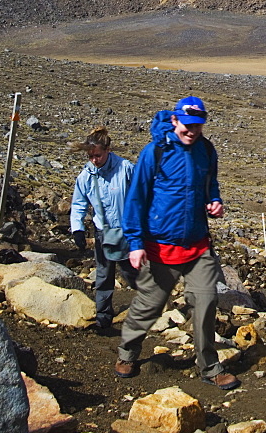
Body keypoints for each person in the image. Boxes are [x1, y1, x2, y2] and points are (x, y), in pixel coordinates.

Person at [114, 96, 239, 390]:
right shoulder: (155, 152)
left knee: (206, 300)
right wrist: (135, 242)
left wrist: (215, 201)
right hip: (160, 246)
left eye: (198, 125)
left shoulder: (206, 151)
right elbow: (136, 198)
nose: (192, 131)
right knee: (149, 305)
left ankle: (209, 367)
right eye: (187, 125)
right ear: (174, 121)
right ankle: (127, 353)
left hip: (197, 244)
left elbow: (212, 184)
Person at [70, 127, 137, 333]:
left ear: (108, 150)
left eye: (97, 155)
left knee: (132, 273)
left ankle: (150, 306)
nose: (94, 160)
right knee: (103, 274)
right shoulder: (86, 176)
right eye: (90, 156)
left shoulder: (125, 168)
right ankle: (103, 317)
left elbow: (141, 196)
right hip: (102, 233)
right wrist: (77, 229)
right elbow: (79, 204)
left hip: (127, 233)